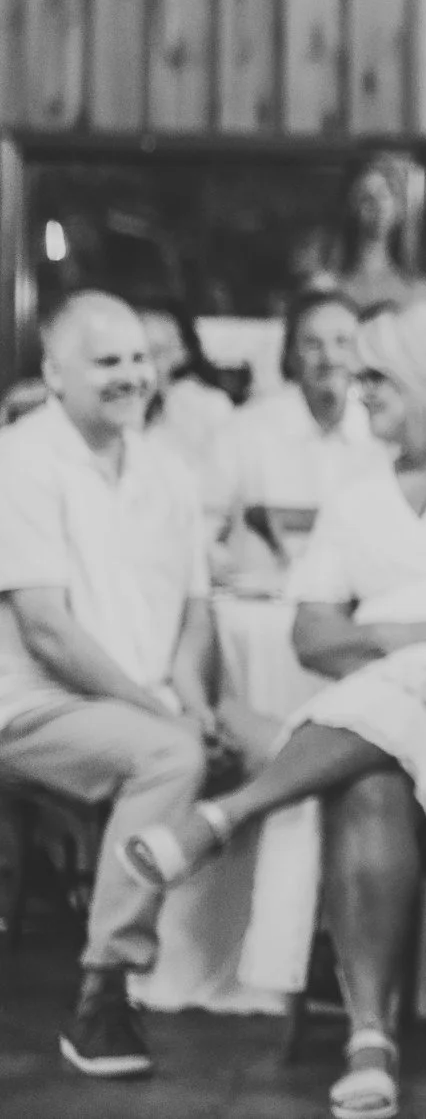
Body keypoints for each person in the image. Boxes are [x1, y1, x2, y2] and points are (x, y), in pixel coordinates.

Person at [121, 301, 426, 1119]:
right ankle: (369, 1038)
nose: (357, 389)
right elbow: (312, 629)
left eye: (374, 374)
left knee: (401, 702)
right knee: (371, 777)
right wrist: (405, 657)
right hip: (389, 714)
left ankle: (230, 808)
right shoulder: (357, 493)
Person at [0, 293, 219, 1080]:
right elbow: (46, 629)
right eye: (108, 361)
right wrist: (159, 712)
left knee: (302, 744)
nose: (132, 375)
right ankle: (105, 991)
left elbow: (197, 607)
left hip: (151, 701)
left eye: (139, 358)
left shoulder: (169, 466)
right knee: (166, 758)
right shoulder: (21, 458)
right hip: (31, 707)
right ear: (55, 373)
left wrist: (190, 694)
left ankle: (267, 967)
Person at [216, 291, 391, 601]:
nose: (330, 358)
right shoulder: (244, 431)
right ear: (291, 355)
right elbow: (199, 532)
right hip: (262, 611)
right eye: (313, 344)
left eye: (343, 342)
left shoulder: (383, 433)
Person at [295, 154, 426, 314]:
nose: (377, 205)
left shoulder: (419, 291)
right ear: (352, 208)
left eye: (384, 195)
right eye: (366, 197)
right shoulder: (324, 286)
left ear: (399, 207)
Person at [136, 301, 237, 498]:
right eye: (137, 353)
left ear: (183, 354)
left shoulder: (207, 408)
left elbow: (220, 491)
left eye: (157, 352)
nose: (145, 364)